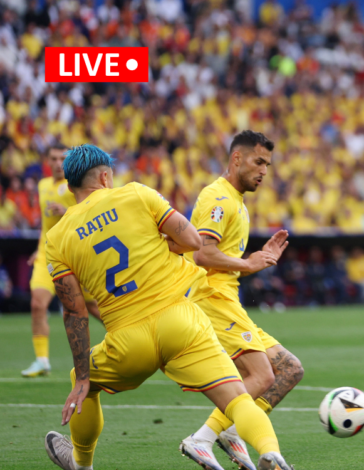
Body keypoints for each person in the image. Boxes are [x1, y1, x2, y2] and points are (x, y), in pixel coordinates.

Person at [43, 144, 293, 470]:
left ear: (70, 184)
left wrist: (82, 377)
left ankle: (81, 463)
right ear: (105, 176)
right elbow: (193, 242)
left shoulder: (57, 237)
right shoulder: (136, 194)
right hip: (181, 322)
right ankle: (271, 453)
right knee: (237, 399)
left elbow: (74, 312)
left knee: (84, 380)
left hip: (127, 339)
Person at [181, 131, 304, 470]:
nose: (264, 170)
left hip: (227, 299)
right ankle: (202, 439)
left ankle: (231, 430)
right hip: (211, 298)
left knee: (289, 370)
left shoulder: (236, 200)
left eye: (268, 164)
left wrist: (253, 262)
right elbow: (203, 254)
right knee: (263, 376)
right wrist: (249, 263)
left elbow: (221, 258)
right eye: (258, 161)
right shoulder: (218, 198)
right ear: (237, 159)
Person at [22, 144, 101, 378]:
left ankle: (131, 345)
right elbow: (46, 226)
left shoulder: (78, 184)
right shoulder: (43, 185)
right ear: (47, 160)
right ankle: (42, 360)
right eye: (54, 159)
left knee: (94, 307)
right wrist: (39, 248)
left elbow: (92, 213)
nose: (58, 163)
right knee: (37, 304)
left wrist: (66, 209)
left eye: (62, 159)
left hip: (76, 254)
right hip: (47, 253)